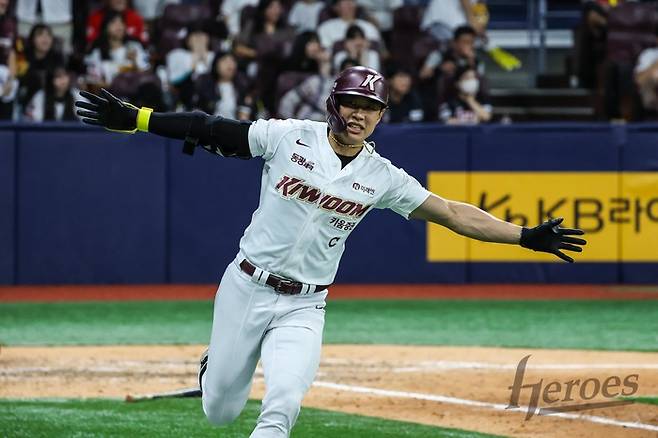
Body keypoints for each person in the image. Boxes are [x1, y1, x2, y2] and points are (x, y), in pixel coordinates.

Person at [74, 66, 586, 438]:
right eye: (352, 103)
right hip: (247, 285)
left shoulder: (382, 177)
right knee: (220, 412)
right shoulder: (288, 137)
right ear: (333, 105)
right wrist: (139, 118)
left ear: (381, 116)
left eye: (371, 108)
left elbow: (451, 213)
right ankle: (214, 368)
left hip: (305, 303)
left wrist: (523, 236)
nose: (360, 114)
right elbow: (210, 128)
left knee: (283, 403)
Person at [85, 11, 150, 87]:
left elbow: (145, 75)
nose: (119, 26)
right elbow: (93, 83)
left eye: (121, 22)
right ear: (105, 28)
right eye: (113, 22)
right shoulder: (97, 53)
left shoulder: (134, 47)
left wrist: (134, 62)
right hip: (109, 96)